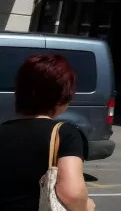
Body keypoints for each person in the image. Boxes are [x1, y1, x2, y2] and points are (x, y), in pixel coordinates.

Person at [0, 54, 94, 211]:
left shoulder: (3, 130)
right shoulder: (65, 134)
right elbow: (72, 194)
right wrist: (86, 207)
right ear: (61, 96)